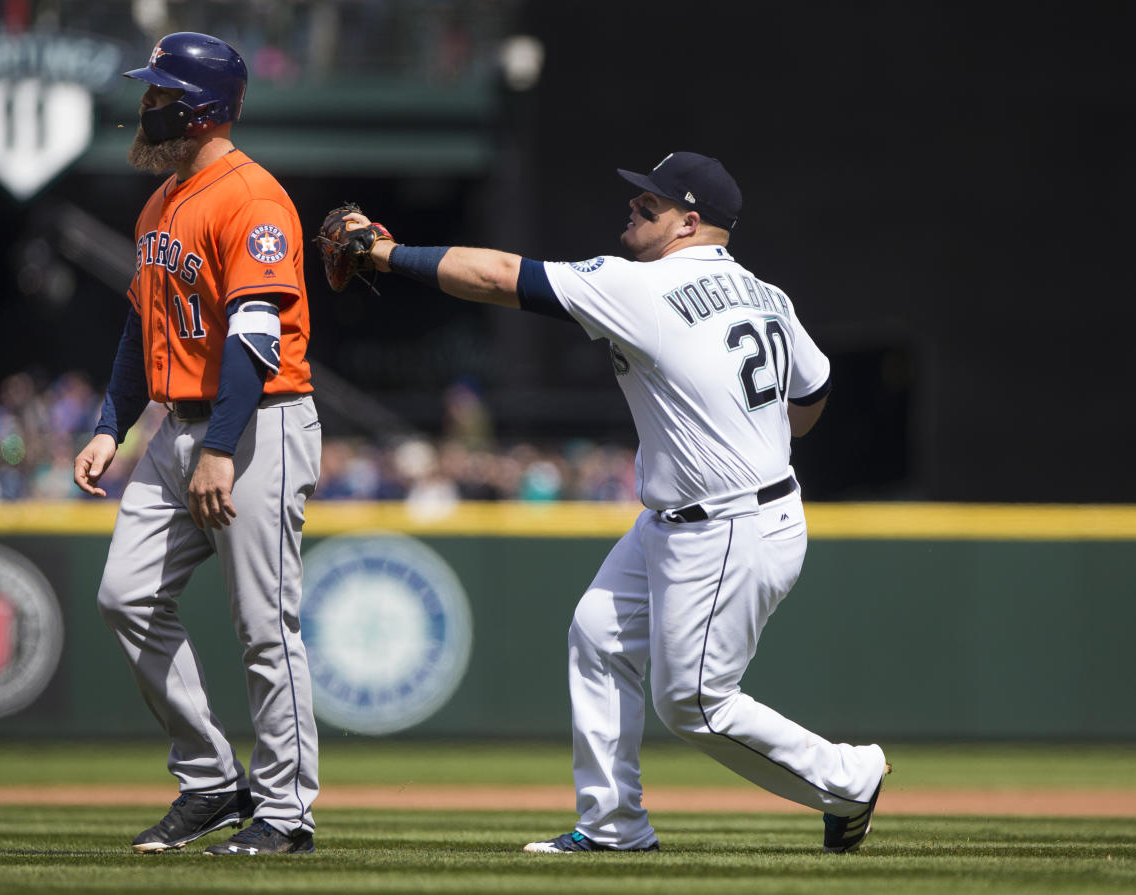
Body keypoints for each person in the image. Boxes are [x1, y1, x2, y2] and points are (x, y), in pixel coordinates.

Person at [339, 151, 889, 854]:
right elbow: (810, 397)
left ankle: (849, 777)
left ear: (691, 222)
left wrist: (386, 254)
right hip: (706, 512)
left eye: (652, 203)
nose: (634, 206)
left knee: (693, 704)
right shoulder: (768, 295)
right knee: (599, 633)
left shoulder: (641, 286)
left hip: (726, 524)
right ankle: (613, 823)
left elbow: (501, 276)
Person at [73, 32, 321, 856]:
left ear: (203, 109)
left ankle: (286, 813)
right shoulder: (161, 202)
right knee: (125, 595)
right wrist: (112, 422)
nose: (147, 105)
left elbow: (255, 333)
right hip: (177, 428)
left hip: (258, 421)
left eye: (160, 93)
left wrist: (222, 443)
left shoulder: (251, 196)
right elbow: (142, 327)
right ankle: (212, 780)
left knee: (263, 625)